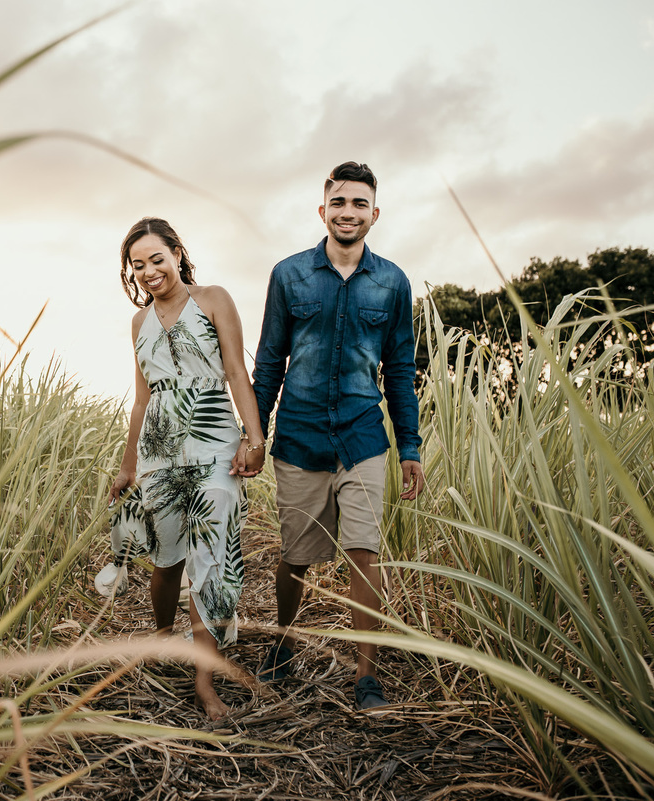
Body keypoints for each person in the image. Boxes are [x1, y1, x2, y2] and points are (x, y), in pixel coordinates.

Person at [251, 162, 426, 710]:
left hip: (363, 438)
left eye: (359, 204)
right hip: (300, 438)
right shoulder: (289, 275)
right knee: (296, 556)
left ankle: (365, 674)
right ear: (322, 210)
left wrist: (410, 447)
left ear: (375, 213)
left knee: (364, 553)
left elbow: (399, 369)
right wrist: (253, 436)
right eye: (339, 203)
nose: (348, 212)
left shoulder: (393, 283)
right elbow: (268, 363)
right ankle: (281, 643)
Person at [108, 217, 266, 721]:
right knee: (166, 556)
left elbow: (238, 372)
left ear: (177, 252)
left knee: (210, 557)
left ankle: (204, 680)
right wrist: (128, 464)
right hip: (159, 449)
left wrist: (255, 436)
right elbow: (140, 400)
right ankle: (161, 639)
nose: (150, 271)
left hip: (215, 442)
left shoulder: (213, 299)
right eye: (139, 265)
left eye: (157, 258)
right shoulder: (138, 323)